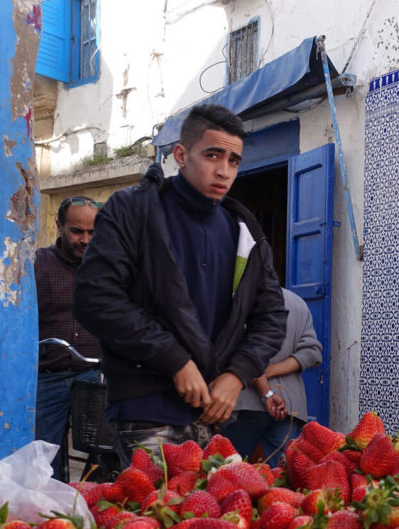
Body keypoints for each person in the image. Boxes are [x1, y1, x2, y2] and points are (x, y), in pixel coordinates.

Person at [74, 104, 286, 466]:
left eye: (234, 160)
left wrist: (236, 376)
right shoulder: (134, 211)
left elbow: (272, 317)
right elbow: (96, 298)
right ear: (181, 154)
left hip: (215, 412)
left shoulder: (243, 231)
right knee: (162, 517)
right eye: (213, 155)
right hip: (146, 404)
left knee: (211, 517)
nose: (224, 170)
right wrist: (175, 359)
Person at [35, 196, 103, 481]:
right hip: (47, 377)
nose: (85, 239)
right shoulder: (37, 264)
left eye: (92, 232)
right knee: (42, 454)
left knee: (103, 450)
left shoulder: (109, 267)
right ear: (59, 225)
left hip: (94, 374)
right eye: (77, 231)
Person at [222, 288, 322, 465]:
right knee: (282, 478)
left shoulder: (240, 299)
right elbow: (312, 352)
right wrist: (272, 370)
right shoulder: (297, 302)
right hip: (289, 406)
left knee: (228, 471)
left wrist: (266, 386)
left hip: (246, 404)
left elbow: (245, 356)